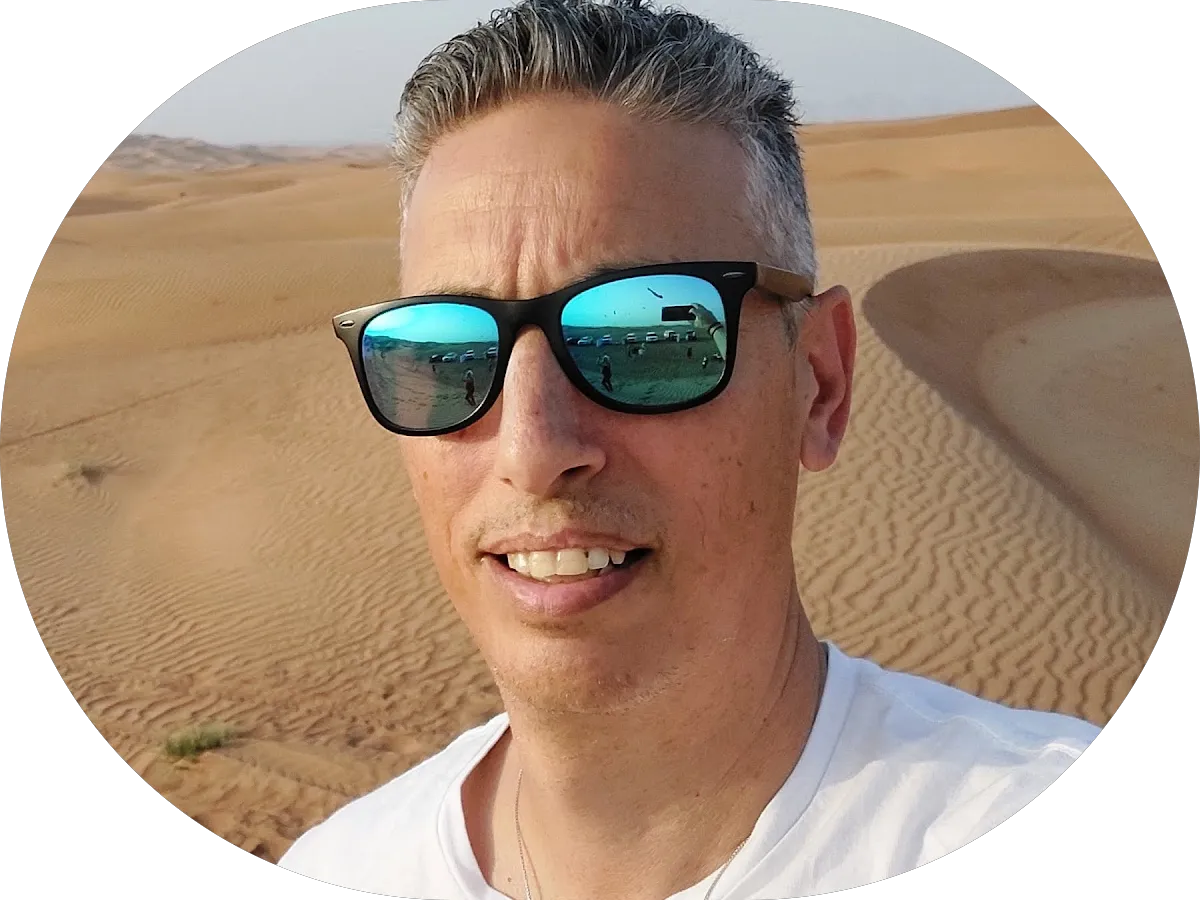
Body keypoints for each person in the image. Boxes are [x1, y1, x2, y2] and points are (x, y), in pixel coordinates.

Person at [280, 2, 1101, 898]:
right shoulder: (341, 865)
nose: (533, 448)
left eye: (646, 341)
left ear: (819, 383)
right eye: (450, 354)